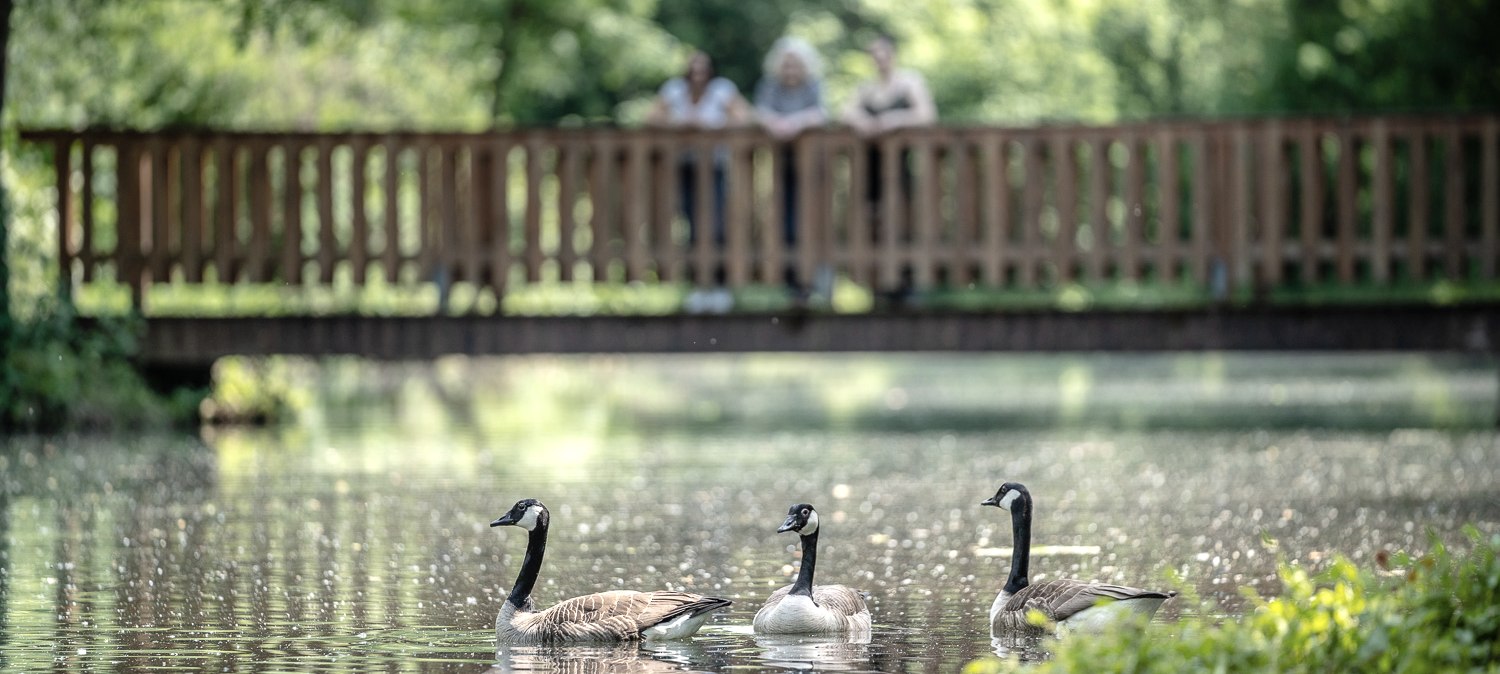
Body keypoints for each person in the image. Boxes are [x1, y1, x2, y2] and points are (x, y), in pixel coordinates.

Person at [646, 50, 749, 313]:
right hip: (685, 167)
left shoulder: (722, 91)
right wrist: (680, 123)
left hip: (715, 167)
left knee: (716, 224)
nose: (698, 76)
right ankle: (697, 286)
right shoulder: (674, 91)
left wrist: (711, 127)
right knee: (691, 224)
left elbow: (743, 117)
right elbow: (651, 118)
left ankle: (719, 285)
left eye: (703, 70)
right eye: (694, 71)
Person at [841, 35, 936, 305]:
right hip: (872, 169)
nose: (879, 59)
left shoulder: (909, 82)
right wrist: (861, 122)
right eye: (874, 54)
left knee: (904, 220)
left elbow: (927, 114)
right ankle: (880, 285)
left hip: (901, 167)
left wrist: (895, 120)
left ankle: (908, 284)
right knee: (875, 221)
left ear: (893, 54)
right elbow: (845, 112)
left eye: (883, 53)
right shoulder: (866, 88)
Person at [754, 37, 826, 300]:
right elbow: (760, 111)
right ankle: (790, 279)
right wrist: (775, 124)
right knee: (785, 220)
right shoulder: (771, 86)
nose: (790, 70)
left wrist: (793, 123)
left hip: (813, 167)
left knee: (811, 218)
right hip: (780, 166)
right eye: (786, 65)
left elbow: (820, 113)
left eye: (795, 64)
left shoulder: (813, 85)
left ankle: (811, 280)